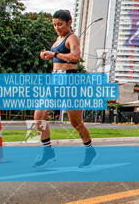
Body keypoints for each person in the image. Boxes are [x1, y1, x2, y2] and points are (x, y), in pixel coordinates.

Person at [35, 9, 97, 167]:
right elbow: (57, 58)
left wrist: (55, 54)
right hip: (55, 81)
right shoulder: (57, 39)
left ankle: (90, 150)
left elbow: (75, 57)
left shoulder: (72, 38)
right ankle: (48, 151)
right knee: (39, 115)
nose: (57, 27)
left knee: (76, 123)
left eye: (60, 24)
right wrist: (47, 55)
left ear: (69, 23)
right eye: (54, 25)